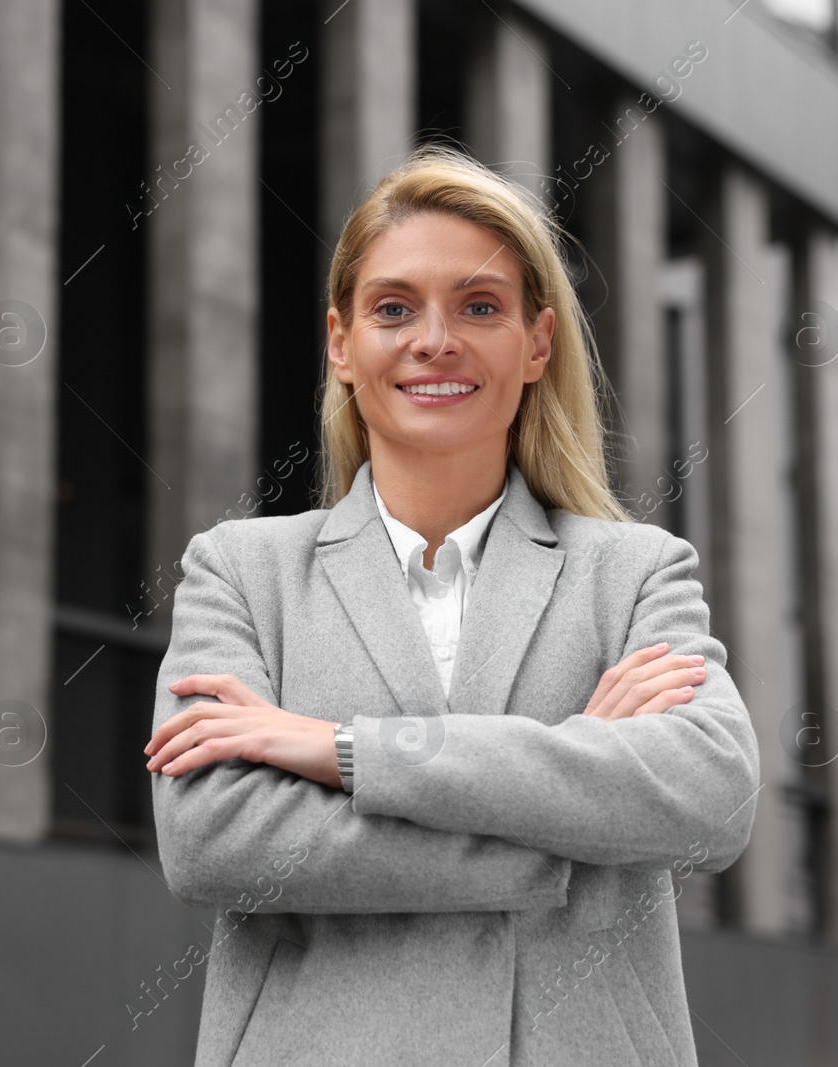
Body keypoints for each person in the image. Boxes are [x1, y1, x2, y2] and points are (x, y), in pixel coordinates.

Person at [143, 144, 760, 1067]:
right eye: (394, 309)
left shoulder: (634, 572)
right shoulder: (241, 571)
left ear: (537, 343)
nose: (436, 340)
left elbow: (711, 799)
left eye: (480, 306)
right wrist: (566, 825)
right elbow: (213, 842)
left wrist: (340, 750)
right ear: (342, 344)